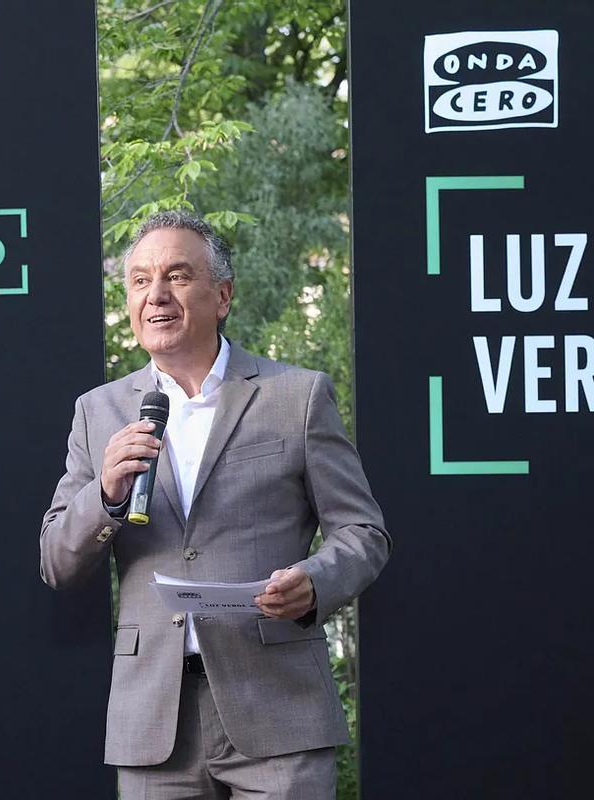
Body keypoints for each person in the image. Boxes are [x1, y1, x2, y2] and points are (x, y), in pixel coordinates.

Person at [40, 210, 391, 799]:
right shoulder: (98, 412)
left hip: (278, 706)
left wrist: (313, 582)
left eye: (177, 276)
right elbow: (56, 561)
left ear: (222, 295)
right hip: (154, 718)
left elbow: (363, 533)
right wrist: (105, 497)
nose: (156, 295)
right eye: (140, 280)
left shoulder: (295, 396)